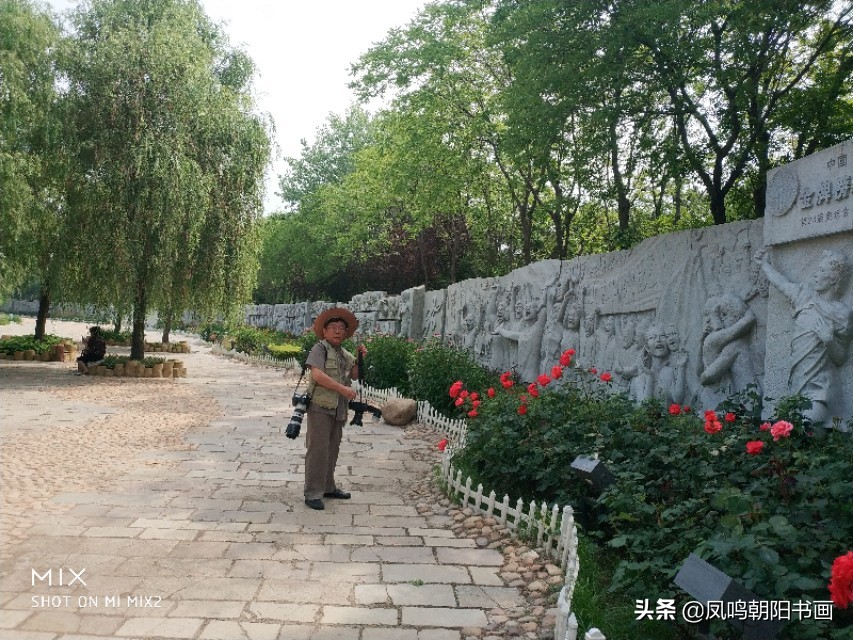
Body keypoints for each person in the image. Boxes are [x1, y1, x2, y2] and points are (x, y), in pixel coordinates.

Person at [754, 248, 853, 425]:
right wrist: (764, 265)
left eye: (822, 271)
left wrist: (829, 340)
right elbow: (782, 284)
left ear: (834, 278)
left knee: (805, 425)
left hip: (820, 388)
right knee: (792, 429)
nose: (815, 274)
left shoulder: (842, 314)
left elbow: (840, 358)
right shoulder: (805, 296)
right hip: (797, 384)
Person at [303, 307, 367, 511]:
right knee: (318, 450)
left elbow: (355, 375)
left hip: (338, 408)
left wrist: (360, 357)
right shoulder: (319, 349)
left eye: (341, 328)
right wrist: (342, 389)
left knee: (332, 449)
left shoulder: (344, 354)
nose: (338, 331)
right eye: (333, 327)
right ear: (324, 331)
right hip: (320, 406)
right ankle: (312, 492)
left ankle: (328, 487)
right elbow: (318, 375)